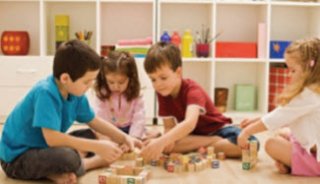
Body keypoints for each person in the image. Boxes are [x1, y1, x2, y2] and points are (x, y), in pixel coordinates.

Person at [0, 40, 141, 184]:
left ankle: (54, 172)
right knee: (69, 157)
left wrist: (124, 138)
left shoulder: (75, 93)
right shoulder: (45, 93)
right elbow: (52, 139)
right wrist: (97, 147)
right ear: (65, 78)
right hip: (16, 159)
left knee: (90, 134)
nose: (90, 86)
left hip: (42, 148)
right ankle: (90, 163)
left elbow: (94, 121)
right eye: (86, 82)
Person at [140, 42, 259, 160]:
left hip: (219, 130)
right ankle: (210, 144)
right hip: (196, 136)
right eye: (153, 79)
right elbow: (169, 127)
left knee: (251, 145)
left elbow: (189, 123)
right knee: (168, 146)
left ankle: (208, 144)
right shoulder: (163, 92)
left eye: (163, 78)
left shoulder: (192, 90)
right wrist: (165, 141)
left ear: (178, 72)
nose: (158, 84)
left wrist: (161, 141)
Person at [238, 37, 320, 176]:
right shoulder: (311, 89)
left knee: (271, 144)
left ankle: (299, 165)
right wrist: (255, 121)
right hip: (311, 143)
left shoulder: (309, 95)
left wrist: (247, 132)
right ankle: (291, 163)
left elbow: (277, 117)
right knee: (282, 134)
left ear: (309, 69)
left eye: (293, 71)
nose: (289, 74)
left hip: (316, 156)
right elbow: (282, 112)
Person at [92, 50, 160, 140]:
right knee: (95, 135)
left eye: (121, 82)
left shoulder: (136, 94)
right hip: (110, 129)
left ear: (131, 78)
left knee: (146, 136)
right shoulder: (103, 93)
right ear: (104, 78)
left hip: (130, 129)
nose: (116, 86)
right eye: (111, 82)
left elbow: (138, 118)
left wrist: (132, 138)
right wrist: (108, 139)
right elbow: (100, 117)